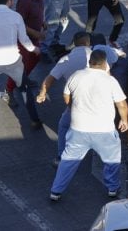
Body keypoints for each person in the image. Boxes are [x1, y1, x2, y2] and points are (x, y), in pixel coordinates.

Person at [49, 50, 128, 201]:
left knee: (68, 161)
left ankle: (56, 191)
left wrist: (73, 107)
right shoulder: (110, 81)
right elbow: (122, 104)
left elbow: (66, 95)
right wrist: (124, 120)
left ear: (89, 62)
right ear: (105, 63)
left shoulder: (76, 76)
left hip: (78, 128)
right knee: (112, 159)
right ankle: (112, 188)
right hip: (104, 130)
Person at [36, 31, 91, 164]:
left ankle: (61, 156)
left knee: (64, 125)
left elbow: (49, 80)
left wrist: (42, 93)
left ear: (75, 44)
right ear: (87, 43)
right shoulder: (97, 55)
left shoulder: (65, 60)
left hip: (76, 102)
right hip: (97, 101)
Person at [5, 0, 49, 125]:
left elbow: (39, 13)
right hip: (24, 40)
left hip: (34, 39)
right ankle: (9, 90)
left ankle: (24, 79)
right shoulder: (25, 1)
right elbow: (20, 23)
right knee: (19, 67)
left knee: (35, 58)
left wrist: (43, 22)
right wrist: (36, 33)